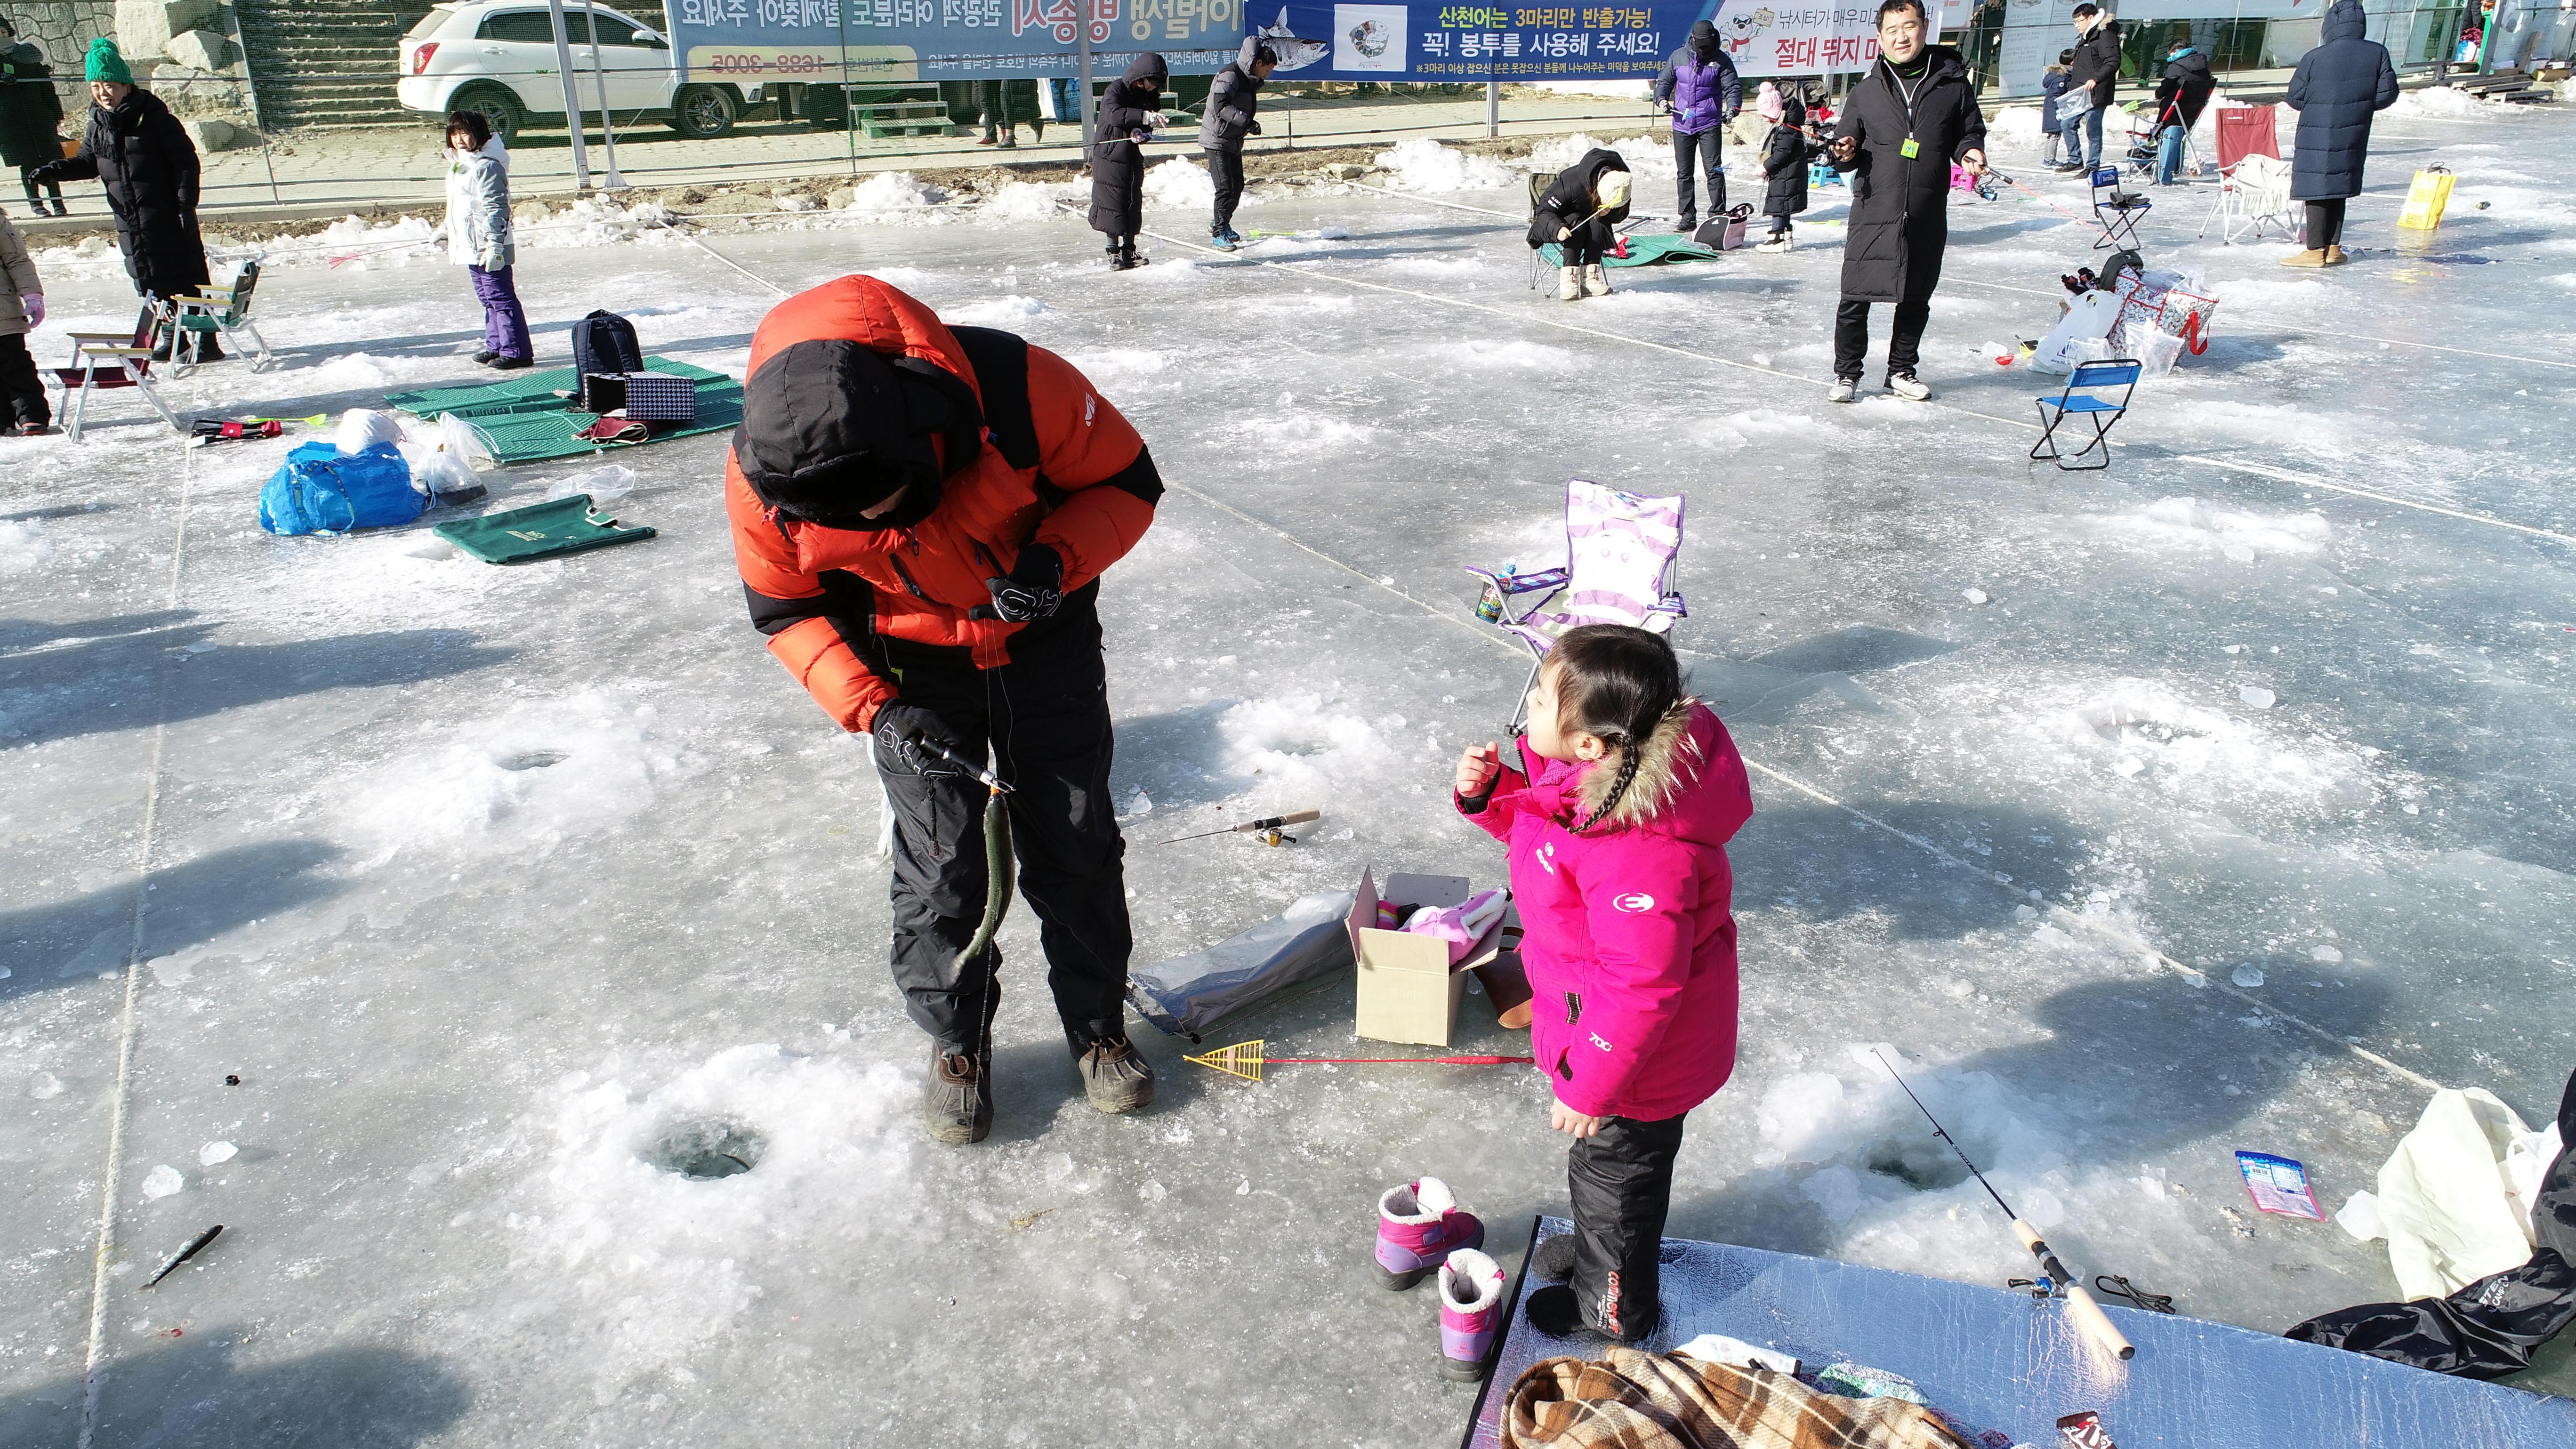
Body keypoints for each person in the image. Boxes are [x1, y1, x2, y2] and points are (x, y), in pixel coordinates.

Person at [725, 273, 1166, 1145]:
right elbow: (787, 609)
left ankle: (1097, 1025)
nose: (868, 519)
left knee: (1074, 836)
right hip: (906, 671)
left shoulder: (1018, 386)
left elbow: (1129, 480)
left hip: (1044, 638)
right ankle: (956, 1041)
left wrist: (1054, 561)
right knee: (942, 867)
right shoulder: (759, 478)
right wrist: (876, 711)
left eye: (878, 499)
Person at [1451, 625, 1753, 1344]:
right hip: (1602, 1034)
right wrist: (1496, 795)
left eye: (1544, 697)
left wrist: (1590, 1083)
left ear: (1591, 742)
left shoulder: (1641, 853)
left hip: (1637, 1061)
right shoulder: (1592, 784)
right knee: (1603, 1173)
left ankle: (1614, 1309)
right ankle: (1597, 1257)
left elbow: (1644, 985)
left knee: (1617, 1186)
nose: (1527, 707)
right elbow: (1549, 843)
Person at [1827, 0, 1988, 402]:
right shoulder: (1866, 91)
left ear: (1924, 28)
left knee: (1916, 296)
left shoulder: (1952, 84)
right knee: (1855, 297)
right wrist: (1843, 150)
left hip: (1927, 207)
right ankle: (1847, 374)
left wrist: (1970, 150)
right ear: (1879, 38)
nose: (1902, 37)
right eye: (1893, 30)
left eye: (1910, 26)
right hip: (1874, 206)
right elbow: (1846, 144)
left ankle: (1901, 370)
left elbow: (1970, 130)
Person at [29, 40, 215, 361]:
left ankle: (206, 342)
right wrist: (53, 171)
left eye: (110, 85)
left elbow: (185, 163)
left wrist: (185, 206)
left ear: (126, 86)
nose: (103, 93)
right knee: (150, 282)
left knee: (184, 277)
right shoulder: (99, 124)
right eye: (96, 86)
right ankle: (174, 338)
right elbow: (89, 162)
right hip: (130, 220)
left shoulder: (155, 119)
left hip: (167, 216)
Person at [2282, 0, 2396, 268]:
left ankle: (2314, 251)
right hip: (2354, 130)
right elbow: (2386, 94)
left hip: (2316, 131)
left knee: (2317, 188)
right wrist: (2359, 106)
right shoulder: (2378, 53)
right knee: (2339, 186)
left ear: (2329, 26)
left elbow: (2294, 97)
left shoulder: (2314, 56)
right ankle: (2333, 248)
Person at [434, 109, 531, 370]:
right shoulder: (461, 165)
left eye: (465, 133)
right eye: (454, 134)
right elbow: (461, 206)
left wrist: (495, 244)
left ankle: (517, 350)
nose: (459, 140)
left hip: (489, 244)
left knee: (501, 297)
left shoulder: (487, 166)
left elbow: (497, 207)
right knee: (487, 298)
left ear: (479, 134)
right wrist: (447, 229)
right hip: (471, 244)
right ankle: (496, 345)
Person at [1650, 21, 1741, 233]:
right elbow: (1664, 81)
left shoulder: (1722, 60)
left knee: (1714, 170)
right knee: (1684, 173)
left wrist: (1733, 108)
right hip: (1682, 123)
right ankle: (1688, 216)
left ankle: (1717, 214)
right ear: (1693, 39)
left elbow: (1733, 87)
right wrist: (1662, 99)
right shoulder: (1679, 57)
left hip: (1709, 123)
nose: (1704, 49)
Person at [1088, 52, 1167, 271]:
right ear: (1140, 78)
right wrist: (1143, 119)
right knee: (1112, 203)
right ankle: (1113, 252)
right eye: (1151, 84)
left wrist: (1142, 131)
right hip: (1109, 155)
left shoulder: (1146, 95)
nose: (1152, 90)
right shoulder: (1115, 90)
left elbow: (1143, 121)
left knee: (1132, 201)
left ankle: (1129, 249)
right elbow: (1115, 115)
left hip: (1130, 156)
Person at [1199, 37, 1275, 250]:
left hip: (1232, 139)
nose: (1267, 76)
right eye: (1267, 71)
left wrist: (1249, 125)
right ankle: (1219, 231)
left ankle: (1222, 223)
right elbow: (1220, 106)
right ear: (1258, 64)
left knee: (1238, 186)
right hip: (1217, 139)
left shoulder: (1249, 79)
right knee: (1225, 188)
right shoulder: (1231, 75)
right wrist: (1247, 122)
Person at [1527, 147, 1630, 302]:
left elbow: (1621, 214)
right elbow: (1543, 210)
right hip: (1556, 222)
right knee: (1578, 225)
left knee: (1598, 225)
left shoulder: (1622, 184)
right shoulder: (1571, 182)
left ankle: (1590, 280)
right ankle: (1569, 280)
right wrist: (1557, 228)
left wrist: (1611, 212)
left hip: (1590, 223)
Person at [0, 16, 65, 218]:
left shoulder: (27, 54)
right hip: (11, 122)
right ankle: (36, 204)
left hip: (40, 117)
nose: (2, 36)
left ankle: (58, 202)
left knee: (50, 161)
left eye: (3, 32)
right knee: (28, 163)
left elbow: (47, 88)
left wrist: (56, 114)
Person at [0, 204, 48, 435]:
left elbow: (17, 259)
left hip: (2, 308)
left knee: (14, 364)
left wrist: (32, 293)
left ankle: (31, 414)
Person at [2059, 3, 2121, 174]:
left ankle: (2093, 165)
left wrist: (2096, 79)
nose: (2077, 25)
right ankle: (2075, 160)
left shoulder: (2105, 35)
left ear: (2091, 18)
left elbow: (2113, 61)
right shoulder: (2086, 36)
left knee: (2093, 130)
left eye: (2079, 21)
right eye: (2075, 22)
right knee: (2067, 123)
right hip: (2080, 91)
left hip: (2096, 91)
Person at [1754, 89, 1819, 253]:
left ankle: (1777, 237)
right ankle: (1787, 234)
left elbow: (1782, 153)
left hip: (1787, 173)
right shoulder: (1787, 122)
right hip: (1789, 173)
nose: (1765, 120)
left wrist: (1765, 167)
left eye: (1766, 116)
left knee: (1779, 204)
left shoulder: (1786, 128)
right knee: (1785, 204)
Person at [2151, 40, 2214, 185]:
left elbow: (2166, 86)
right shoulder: (2203, 66)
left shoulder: (2176, 66)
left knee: (2160, 131)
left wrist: (2157, 94)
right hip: (2191, 113)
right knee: (2180, 132)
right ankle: (2176, 165)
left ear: (2176, 52)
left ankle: (2164, 166)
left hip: (2172, 112)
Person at [2039, 49, 2072, 169]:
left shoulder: (2053, 75)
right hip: (2055, 109)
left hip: (2050, 107)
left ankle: (2047, 159)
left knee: (2051, 135)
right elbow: (2058, 94)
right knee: (2055, 135)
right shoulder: (2062, 77)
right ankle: (2050, 160)